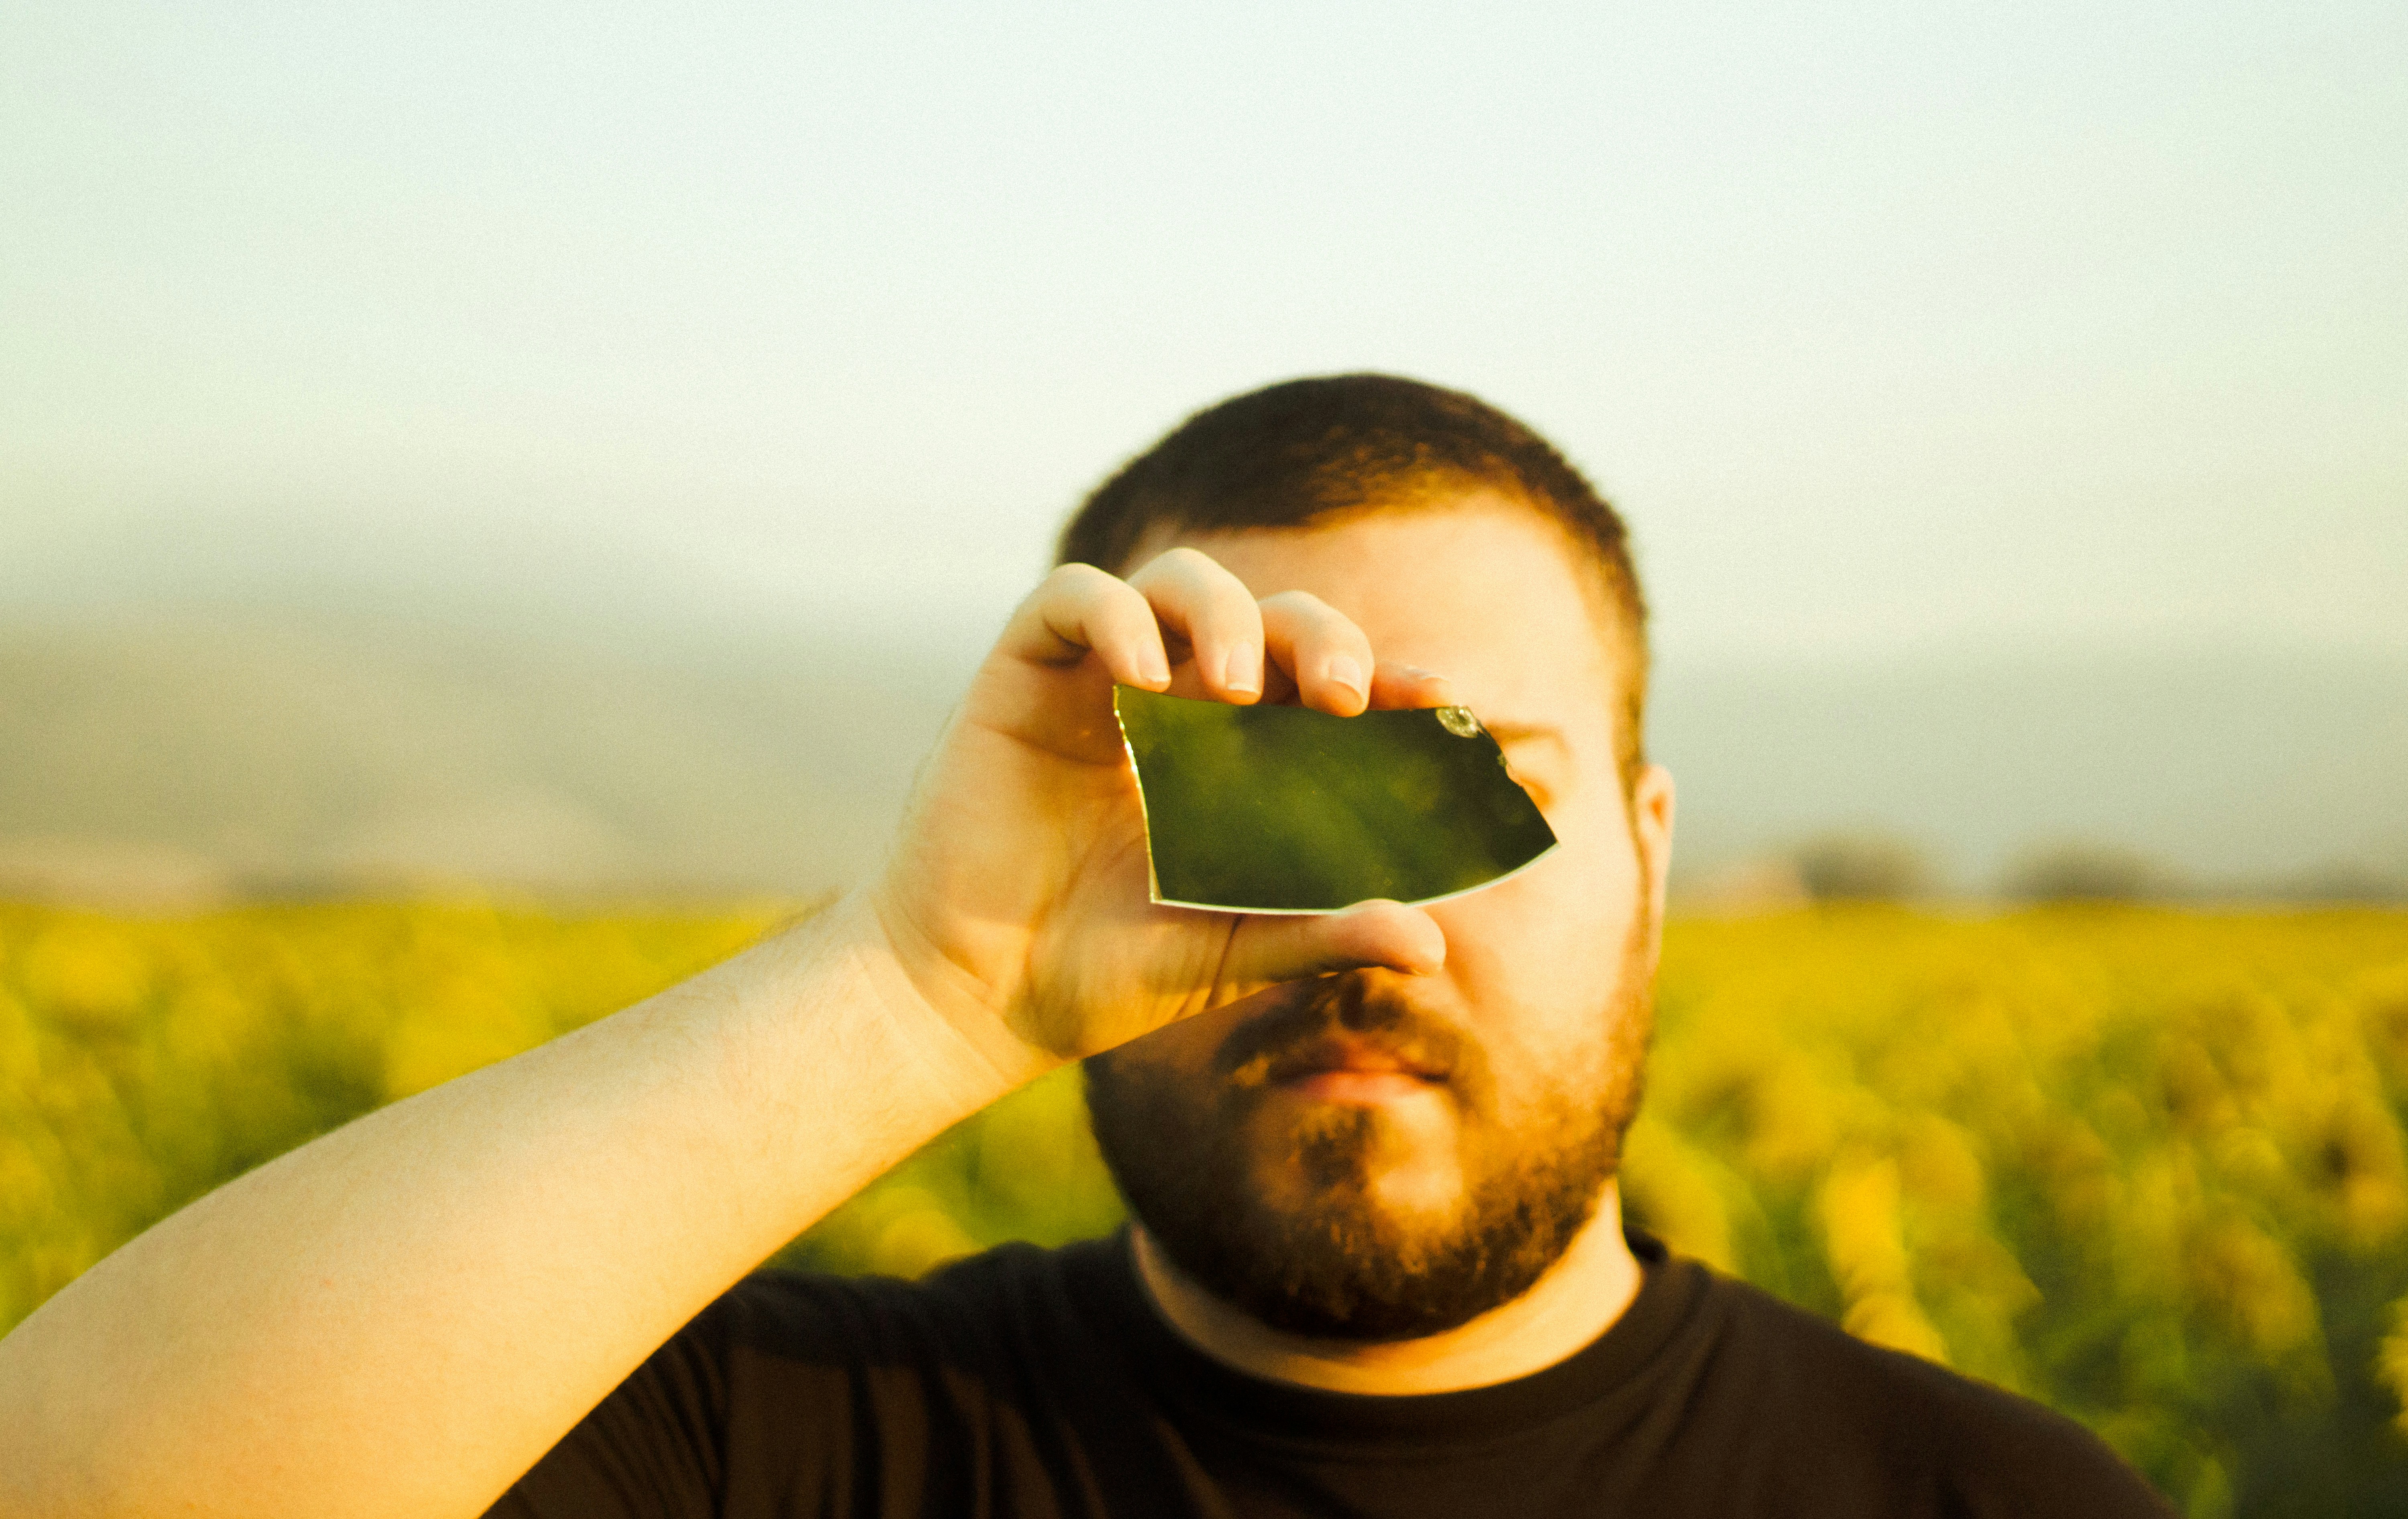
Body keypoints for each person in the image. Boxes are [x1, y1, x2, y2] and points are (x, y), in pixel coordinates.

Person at [0, 376, 2172, 1519]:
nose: (1365, 922)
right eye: (1251, 804)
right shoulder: (796, 1446)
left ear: (1653, 851)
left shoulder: (1986, 1502)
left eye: (1479, 785)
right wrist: (914, 982)